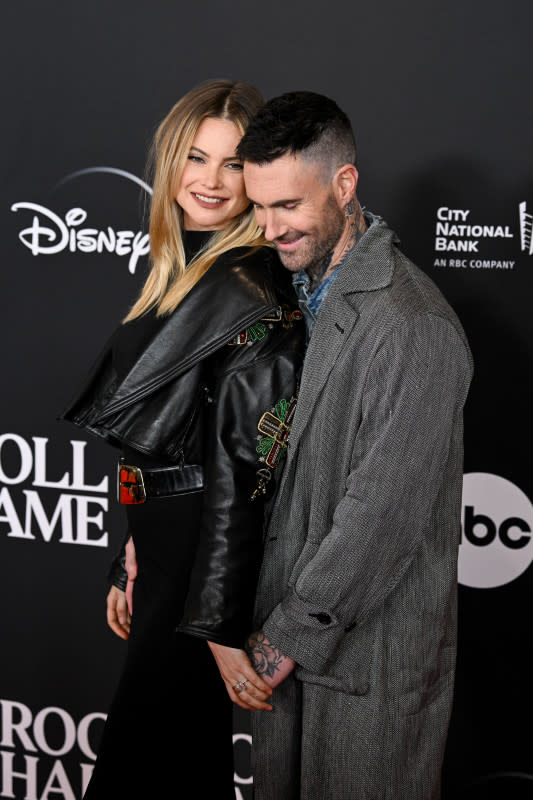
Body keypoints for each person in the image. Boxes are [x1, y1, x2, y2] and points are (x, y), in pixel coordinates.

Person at [60, 79, 304, 798]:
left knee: (144, 763)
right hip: (167, 549)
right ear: (169, 162)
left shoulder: (251, 289)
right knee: (180, 763)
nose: (210, 180)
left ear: (257, 173)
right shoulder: (188, 266)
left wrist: (219, 624)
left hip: (198, 562)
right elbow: (176, 433)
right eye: (195, 157)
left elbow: (245, 466)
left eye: (232, 164)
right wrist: (135, 541)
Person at [235, 91, 474, 800]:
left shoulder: (411, 325)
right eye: (257, 206)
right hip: (293, 647)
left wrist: (281, 642)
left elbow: (380, 516)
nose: (269, 227)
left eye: (287, 206)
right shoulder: (291, 294)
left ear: (344, 185)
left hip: (364, 660)